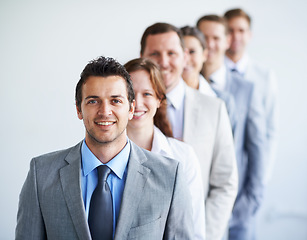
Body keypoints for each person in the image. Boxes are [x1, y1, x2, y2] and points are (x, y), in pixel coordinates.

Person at [15, 56, 194, 240]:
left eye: (115, 100)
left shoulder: (170, 176)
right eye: (93, 101)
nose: (105, 111)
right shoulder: (41, 174)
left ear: (131, 109)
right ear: (78, 109)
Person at [140, 22, 238, 240]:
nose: (163, 62)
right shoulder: (129, 110)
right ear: (142, 56)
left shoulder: (215, 108)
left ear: (184, 56)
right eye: (155, 53)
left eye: (171, 53)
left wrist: (205, 235)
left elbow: (225, 182)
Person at [197, 15, 267, 240]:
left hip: (238, 211)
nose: (210, 44)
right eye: (204, 38)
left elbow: (258, 149)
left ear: (227, 41)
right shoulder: (187, 87)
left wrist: (248, 205)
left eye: (216, 37)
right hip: (197, 212)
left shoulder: (247, 90)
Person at [124, 57, 206, 240]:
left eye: (147, 94)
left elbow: (195, 229)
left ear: (159, 99)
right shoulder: (104, 155)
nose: (136, 102)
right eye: (130, 94)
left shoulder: (183, 156)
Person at [224, 8, 278, 184]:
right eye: (230, 30)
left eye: (241, 30)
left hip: (250, 170)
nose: (236, 36)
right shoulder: (211, 73)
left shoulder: (264, 76)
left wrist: (262, 177)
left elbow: (270, 128)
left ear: (249, 34)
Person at [180, 25, 237, 131]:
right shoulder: (161, 100)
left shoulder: (223, 101)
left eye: (192, 52)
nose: (186, 59)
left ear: (204, 54)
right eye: (181, 52)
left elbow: (227, 145)